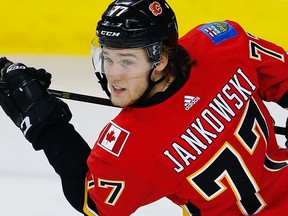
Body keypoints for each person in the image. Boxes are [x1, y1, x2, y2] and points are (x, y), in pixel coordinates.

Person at [0, 0, 288, 215]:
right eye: (108, 58)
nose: (113, 74)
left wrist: (47, 126)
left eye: (127, 61)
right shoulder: (223, 43)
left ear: (160, 59)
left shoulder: (128, 147)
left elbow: (93, 202)